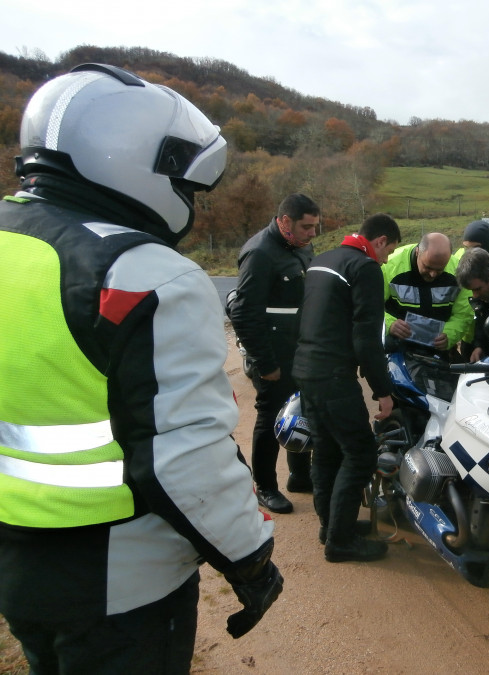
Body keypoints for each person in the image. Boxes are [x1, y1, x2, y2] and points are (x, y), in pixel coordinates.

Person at [0, 64, 282, 674]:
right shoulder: (146, 274)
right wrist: (250, 556)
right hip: (121, 577)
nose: (187, 198)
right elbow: (185, 456)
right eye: (180, 179)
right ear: (134, 159)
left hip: (16, 563)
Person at [293, 214, 402, 563]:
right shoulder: (365, 268)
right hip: (334, 375)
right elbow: (366, 338)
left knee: (326, 451)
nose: (385, 260)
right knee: (360, 453)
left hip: (306, 368)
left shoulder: (321, 260)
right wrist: (382, 390)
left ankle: (330, 527)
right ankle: (340, 542)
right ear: (380, 241)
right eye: (388, 251)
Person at [230, 194, 320, 513]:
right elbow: (242, 313)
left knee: (302, 409)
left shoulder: (299, 246)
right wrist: (264, 363)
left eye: (315, 227)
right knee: (271, 416)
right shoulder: (260, 253)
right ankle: (266, 487)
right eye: (306, 227)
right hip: (272, 355)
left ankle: (299, 475)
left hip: (299, 349)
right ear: (284, 222)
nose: (312, 234)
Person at [382, 232, 473, 358]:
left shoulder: (458, 272)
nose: (433, 274)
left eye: (439, 269)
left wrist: (449, 335)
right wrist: (390, 324)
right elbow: (370, 306)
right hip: (396, 347)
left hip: (437, 349)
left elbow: (463, 314)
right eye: (428, 267)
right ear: (417, 252)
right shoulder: (389, 266)